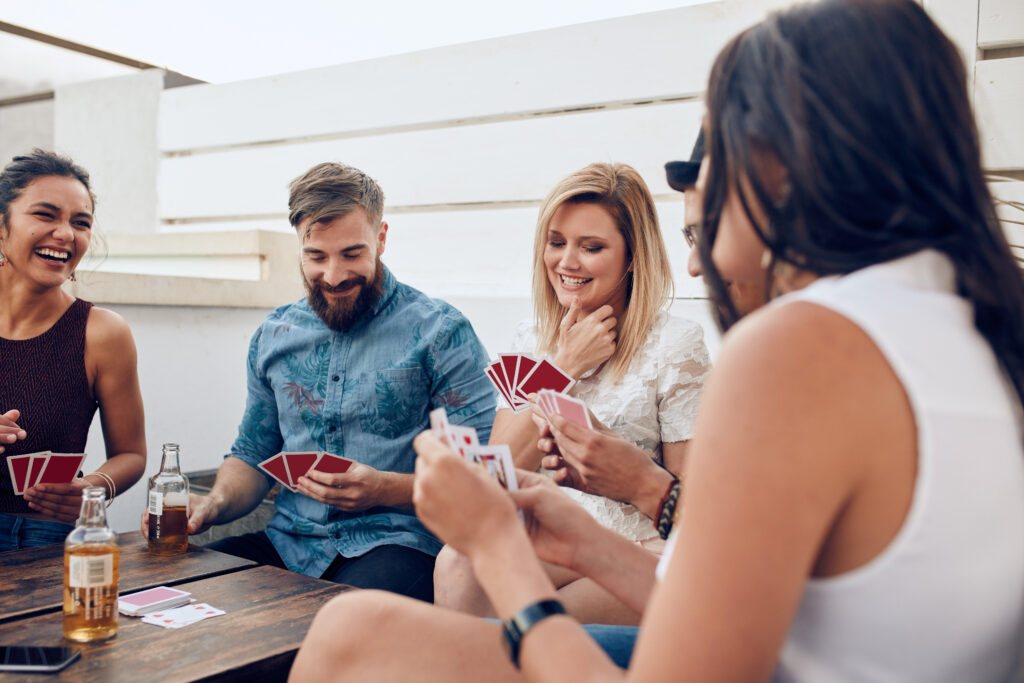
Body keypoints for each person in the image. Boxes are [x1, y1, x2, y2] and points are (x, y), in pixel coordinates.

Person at [290, 0, 1024, 680]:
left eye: (714, 160)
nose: (701, 239)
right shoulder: (970, 324)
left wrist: (499, 548)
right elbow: (764, 605)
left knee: (349, 636)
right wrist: (582, 541)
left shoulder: (804, 347)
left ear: (776, 167)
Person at [142, 162, 495, 601]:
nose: (333, 275)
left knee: (346, 626)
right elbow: (254, 453)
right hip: (289, 545)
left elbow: (484, 474)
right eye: (316, 257)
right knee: (170, 594)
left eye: (352, 254)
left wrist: (384, 488)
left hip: (401, 545)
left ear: (381, 239)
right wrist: (212, 505)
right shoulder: (274, 335)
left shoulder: (442, 333)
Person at [434, 162, 711, 624]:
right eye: (557, 242)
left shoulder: (675, 344)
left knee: (541, 624)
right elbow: (498, 469)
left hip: (638, 545)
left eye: (592, 247)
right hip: (553, 531)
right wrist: (562, 367)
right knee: (456, 562)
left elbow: (690, 504)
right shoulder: (531, 339)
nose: (567, 263)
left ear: (632, 256)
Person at [0, 150, 146, 549]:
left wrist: (94, 487)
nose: (66, 234)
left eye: (80, 223)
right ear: (2, 227)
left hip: (50, 535)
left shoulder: (103, 333)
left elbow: (131, 454)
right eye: (46, 215)